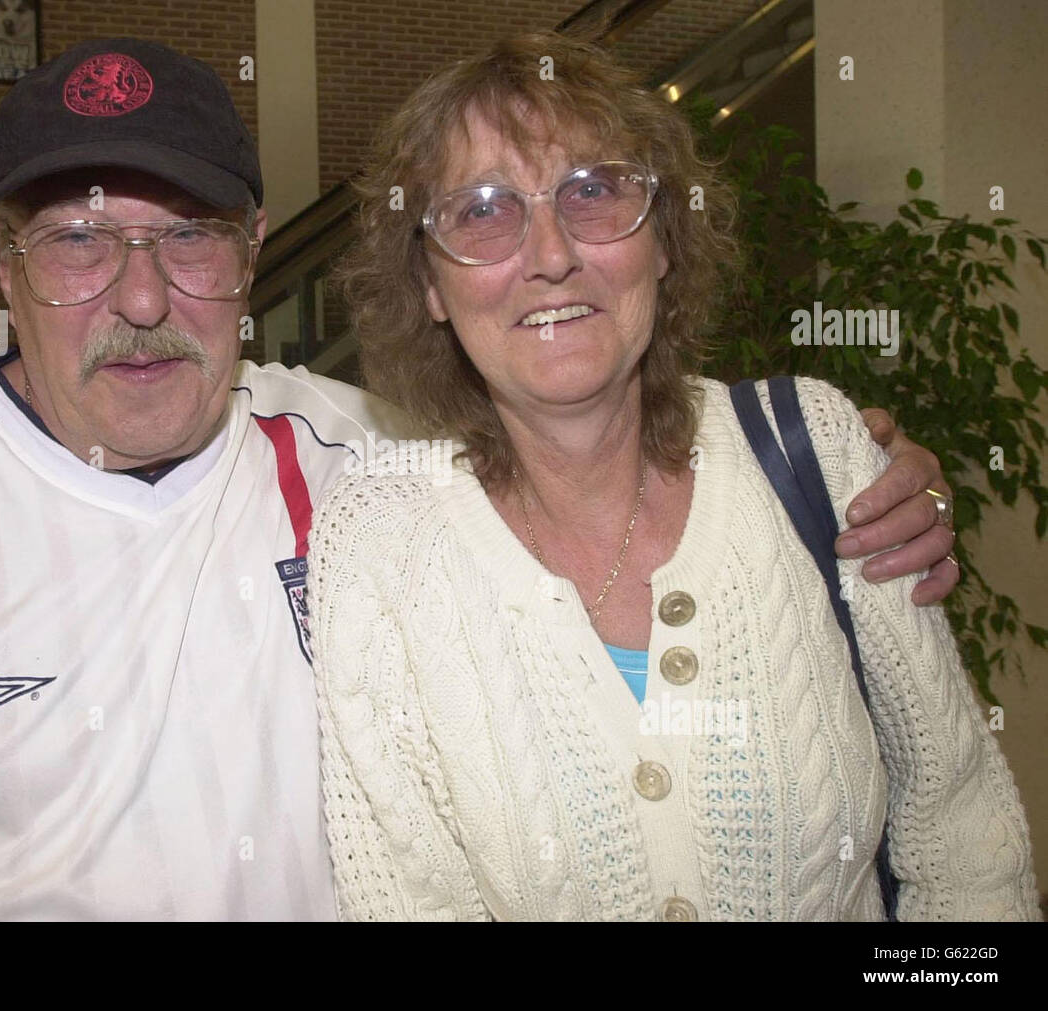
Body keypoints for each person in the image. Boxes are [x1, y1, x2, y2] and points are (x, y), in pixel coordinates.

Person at [0, 38, 952, 922]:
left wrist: (878, 480)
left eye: (188, 236)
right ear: (5, 269)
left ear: (256, 251)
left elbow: (598, 470)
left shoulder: (375, 464)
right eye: (76, 240)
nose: (142, 297)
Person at [308, 32, 1038, 921]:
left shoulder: (815, 450)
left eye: (592, 191)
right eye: (484, 210)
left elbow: (963, 838)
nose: (549, 254)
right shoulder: (380, 543)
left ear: (662, 241)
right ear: (428, 282)